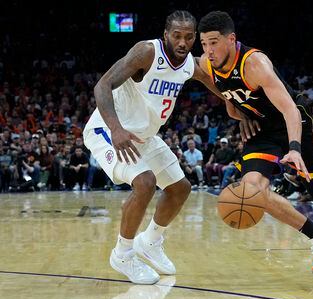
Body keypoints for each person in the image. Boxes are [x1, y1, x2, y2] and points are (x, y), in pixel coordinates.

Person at [198, 11, 313, 276]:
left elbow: (290, 109)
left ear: (231, 39)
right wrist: (242, 115)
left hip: (292, 121)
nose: (208, 50)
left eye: (213, 42)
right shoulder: (207, 64)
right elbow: (231, 103)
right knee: (250, 191)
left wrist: (294, 148)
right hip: (263, 130)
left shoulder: (255, 64)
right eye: (204, 44)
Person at [83, 11, 222, 284]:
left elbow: (216, 85)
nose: (182, 42)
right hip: (108, 131)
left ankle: (150, 241)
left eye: (188, 37)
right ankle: (122, 255)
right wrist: (116, 129)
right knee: (145, 182)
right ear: (166, 34)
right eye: (177, 36)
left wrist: (240, 108)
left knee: (180, 188)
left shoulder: (191, 65)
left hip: (144, 137)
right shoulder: (147, 52)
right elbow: (103, 86)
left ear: (195, 37)